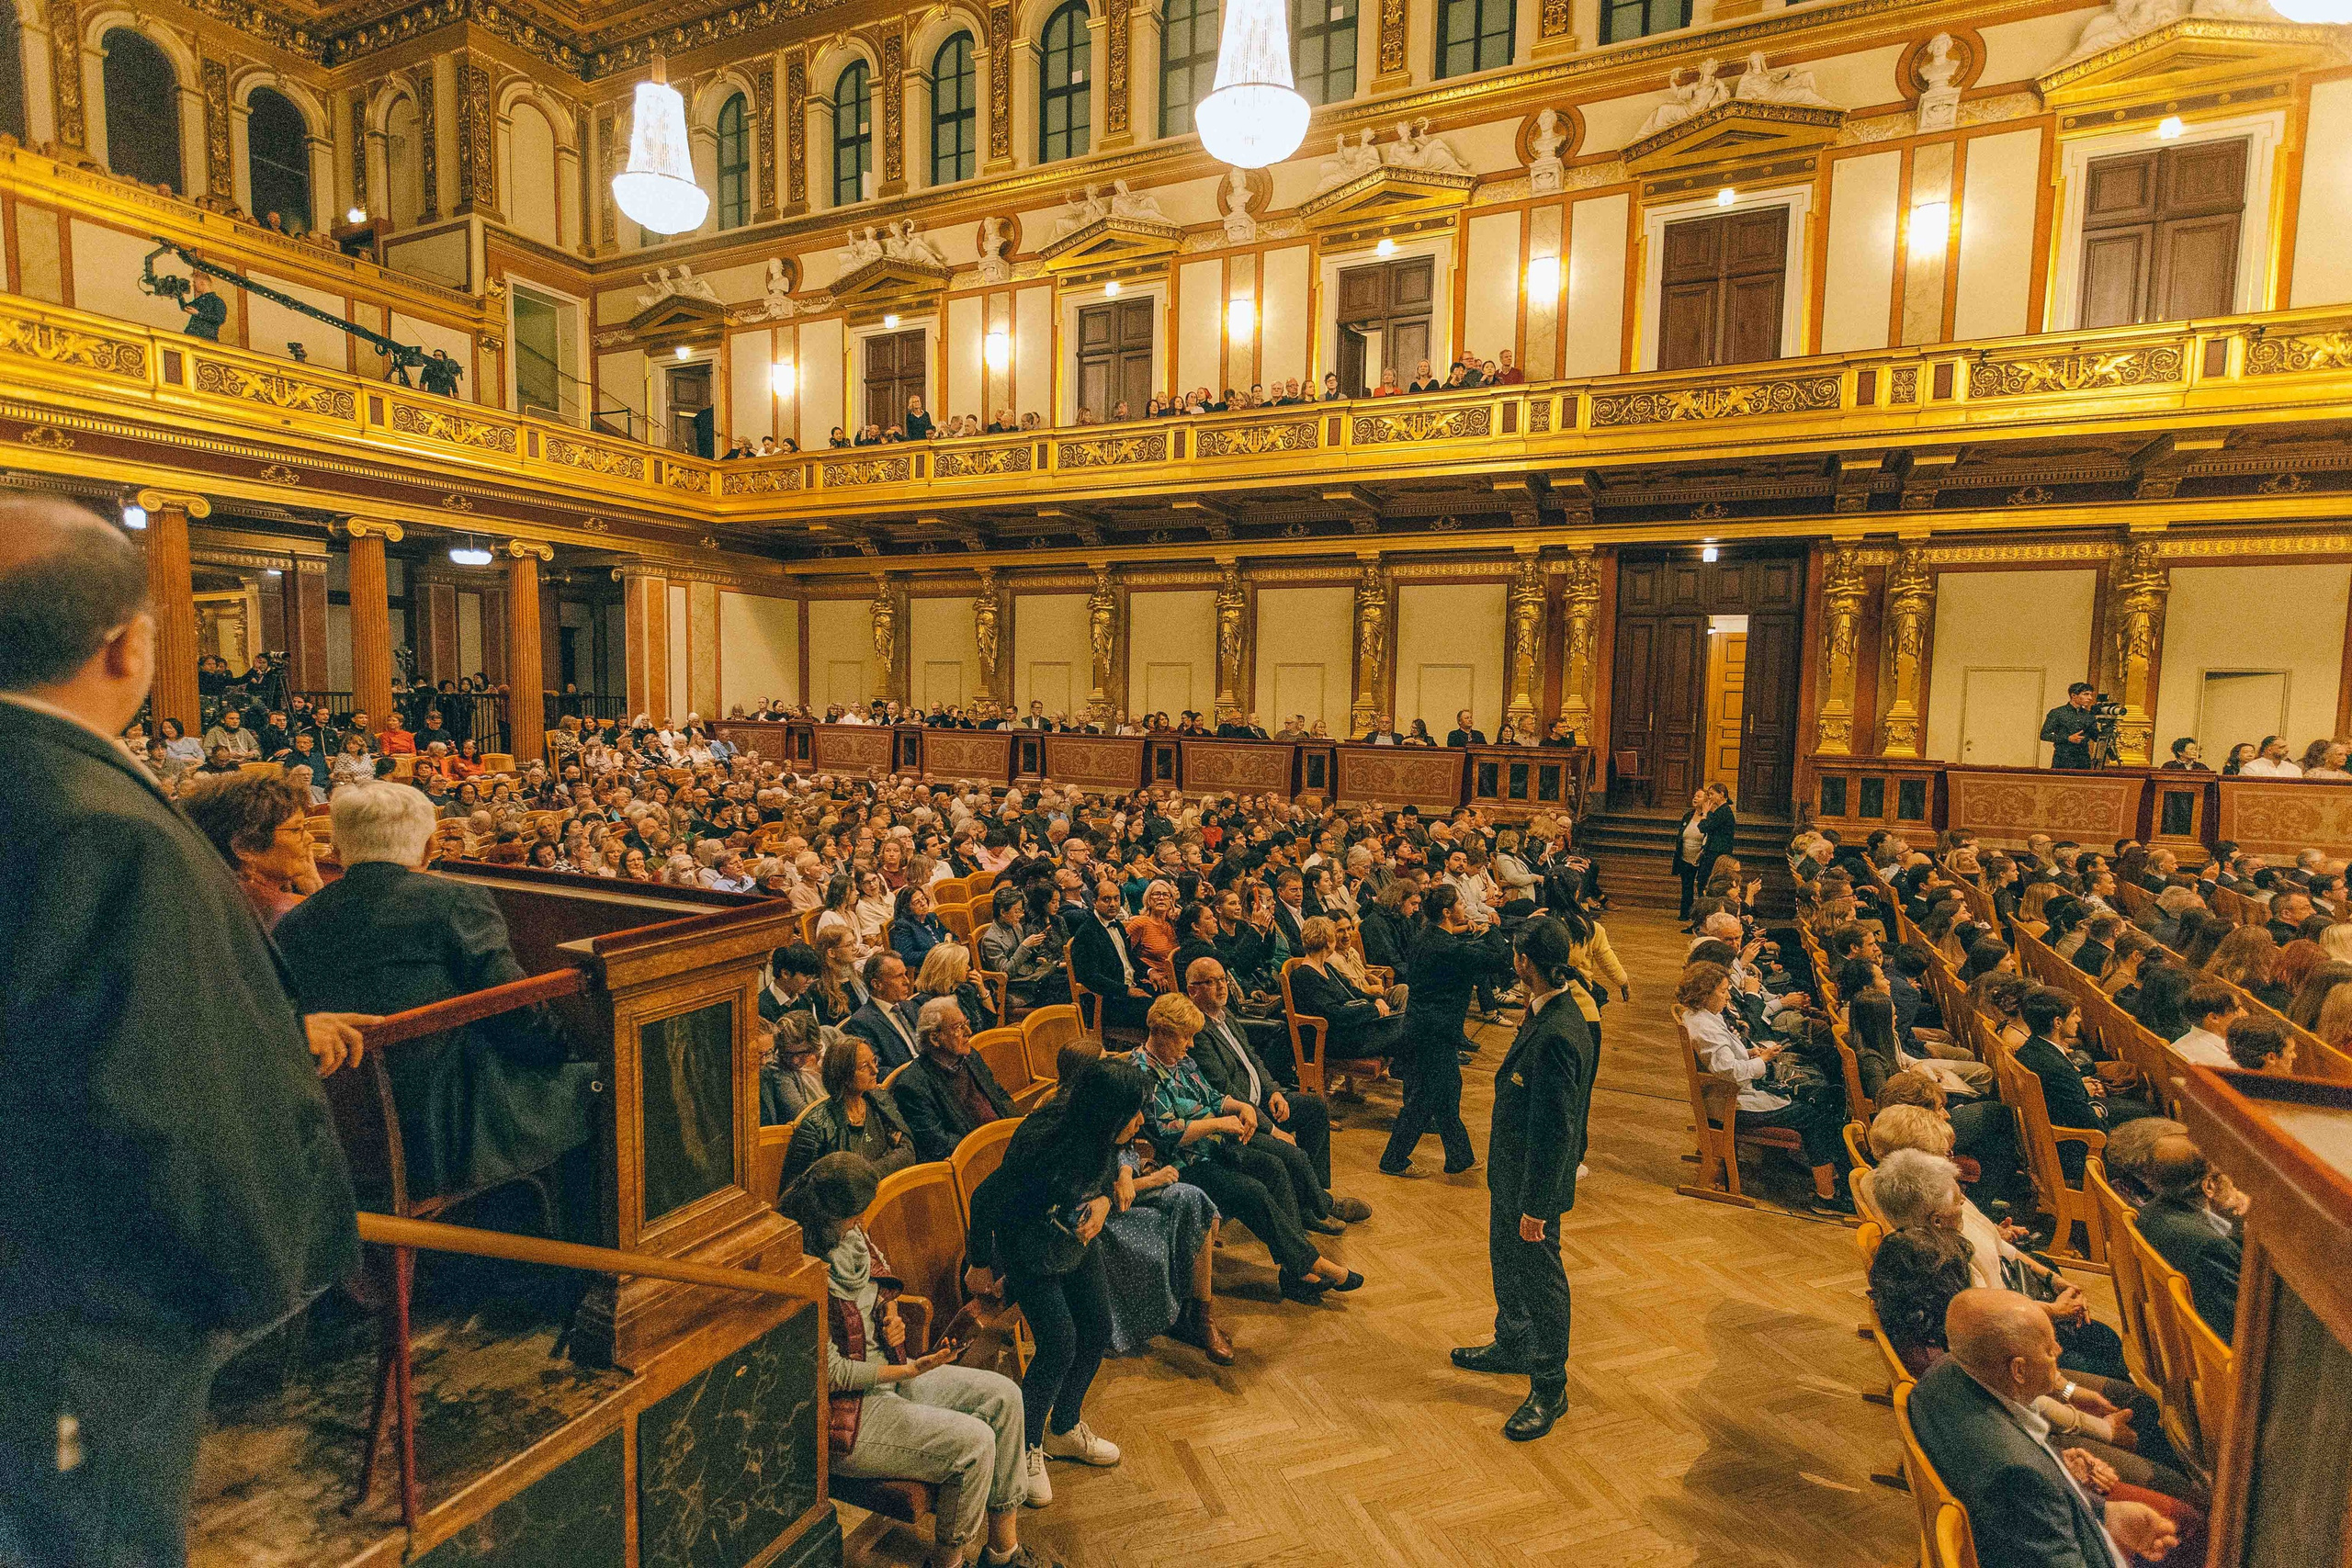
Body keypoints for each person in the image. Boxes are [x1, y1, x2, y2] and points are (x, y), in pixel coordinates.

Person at [0, 499, 368, 1568]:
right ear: (127, 645)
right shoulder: (105, 831)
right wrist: (252, 1280)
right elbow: (162, 1106)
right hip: (82, 1326)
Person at [276, 780, 600, 1206]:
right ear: (430, 847)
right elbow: (516, 1013)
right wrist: (575, 1049)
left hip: (339, 1135)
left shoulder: (297, 921)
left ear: (336, 849)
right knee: (597, 1082)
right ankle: (570, 1258)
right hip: (444, 1127)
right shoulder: (454, 901)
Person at [783, 1153, 1057, 1568]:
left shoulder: (851, 1238)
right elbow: (832, 1372)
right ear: (827, 1215)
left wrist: (890, 1316)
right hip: (849, 1414)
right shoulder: (800, 1267)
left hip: (891, 1378)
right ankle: (947, 1562)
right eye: (854, 1216)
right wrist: (910, 1367)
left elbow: (882, 1286)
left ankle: (1003, 1554)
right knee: (974, 1443)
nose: (861, 1223)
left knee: (1005, 1396)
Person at [966, 1057, 1149, 1504]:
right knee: (1059, 1343)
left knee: (1097, 1329)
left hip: (1073, 1238)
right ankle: (1025, 1449)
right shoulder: (1045, 1140)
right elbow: (986, 1195)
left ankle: (1064, 1427)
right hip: (1026, 1245)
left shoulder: (1100, 1132)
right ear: (1109, 1113)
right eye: (1134, 1112)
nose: (1141, 1120)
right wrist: (979, 1263)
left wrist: (1105, 1200)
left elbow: (1108, 1169)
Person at [1450, 918, 1598, 1442]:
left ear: (1524, 964)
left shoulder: (1559, 1030)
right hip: (1512, 1175)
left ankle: (1550, 1386)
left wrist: (1537, 1206)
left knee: (1541, 1278)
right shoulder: (1557, 1011)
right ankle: (1511, 1342)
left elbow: (1558, 1128)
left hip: (1532, 1185)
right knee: (1506, 1259)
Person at [1905, 1291, 2181, 1568]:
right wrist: (2053, 1478)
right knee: (2189, 1524)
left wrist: (2105, 1511)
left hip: (2063, 1519)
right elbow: (2025, 1486)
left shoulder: (1940, 1376)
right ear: (2019, 1371)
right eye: (2049, 1349)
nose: (2059, 1352)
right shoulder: (2018, 1473)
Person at [1126, 994, 1361, 1303]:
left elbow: (1212, 1096)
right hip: (1182, 1164)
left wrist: (1240, 1107)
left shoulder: (1179, 1060)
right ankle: (1310, 1265)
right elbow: (1165, 1132)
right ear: (1162, 1032)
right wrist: (1219, 1124)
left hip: (1214, 1149)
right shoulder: (1142, 1071)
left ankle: (1296, 1272)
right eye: (1187, 1036)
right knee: (1253, 1192)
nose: (1192, 1045)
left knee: (1275, 1168)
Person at [1045, 1044, 1229, 1365]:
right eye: (1106, 1064)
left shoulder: (1106, 1102)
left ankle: (1200, 1314)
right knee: (1158, 1230)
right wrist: (1146, 1182)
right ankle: (1166, 1317)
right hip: (1095, 1212)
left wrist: (1128, 1172)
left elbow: (1125, 1146)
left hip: (1124, 1190)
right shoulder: (1062, 1117)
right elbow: (1080, 1192)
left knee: (1191, 1198)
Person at [1182, 957, 1369, 1223]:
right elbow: (1224, 1088)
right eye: (1211, 982)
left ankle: (1312, 1194)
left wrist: (1274, 1092)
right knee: (1293, 1153)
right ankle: (1322, 1207)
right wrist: (1272, 1129)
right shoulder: (1197, 1031)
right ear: (1193, 990)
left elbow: (1254, 1060)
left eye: (1223, 979)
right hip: (1240, 1118)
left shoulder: (1226, 1017)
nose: (1221, 987)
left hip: (1262, 1102)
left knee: (1314, 1108)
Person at [1383, 885, 1510, 1176]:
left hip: (1427, 1027)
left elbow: (1459, 950)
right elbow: (1498, 959)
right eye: (1461, 903)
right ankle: (1393, 1160)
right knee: (1425, 1099)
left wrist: (1470, 934)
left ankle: (1459, 1157)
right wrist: (1489, 931)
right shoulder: (1445, 948)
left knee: (1446, 1093)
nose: (1464, 907)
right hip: (1433, 1032)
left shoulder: (1427, 937)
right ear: (1447, 911)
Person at [179, 769, 324, 931]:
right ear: (244, 847)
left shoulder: (208, 894)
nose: (310, 839)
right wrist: (318, 897)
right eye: (296, 830)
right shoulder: (285, 913)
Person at [782, 1035, 919, 1186]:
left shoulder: (880, 1101)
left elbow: (908, 1153)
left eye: (874, 1061)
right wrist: (888, 1159)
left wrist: (859, 1175)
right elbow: (797, 1191)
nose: (875, 1070)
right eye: (864, 1066)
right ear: (843, 1075)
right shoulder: (815, 1126)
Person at [892, 996, 1015, 1161]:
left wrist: (1018, 1129)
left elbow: (999, 1096)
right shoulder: (912, 1085)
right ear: (935, 1038)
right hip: (975, 1159)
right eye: (958, 1027)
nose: (969, 1033)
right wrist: (990, 1144)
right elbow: (939, 1144)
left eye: (967, 1023)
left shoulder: (971, 1058)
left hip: (1004, 1142)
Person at [1070, 877, 1156, 1032]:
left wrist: (1151, 972)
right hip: (1110, 1002)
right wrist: (1126, 990)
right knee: (1163, 1014)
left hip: (1130, 989)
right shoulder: (1087, 932)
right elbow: (1089, 976)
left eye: (1116, 899)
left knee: (1174, 1000)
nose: (1113, 904)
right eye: (1106, 899)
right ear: (1095, 902)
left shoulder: (1118, 926)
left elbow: (1129, 959)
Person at [845, 950, 924, 1072]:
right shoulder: (861, 1022)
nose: (907, 981)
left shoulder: (911, 1007)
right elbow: (876, 1070)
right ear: (877, 984)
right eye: (899, 976)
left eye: (905, 974)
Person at [760, 1010, 831, 1124]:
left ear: (815, 1045)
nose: (794, 1060)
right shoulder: (778, 1068)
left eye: (802, 1053)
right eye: (787, 1053)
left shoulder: (830, 1036)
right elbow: (803, 1116)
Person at [2040, 682, 2103, 770]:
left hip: (2083, 760)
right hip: (2063, 759)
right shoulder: (2057, 713)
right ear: (2073, 695)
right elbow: (2044, 735)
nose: (2090, 698)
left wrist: (2106, 729)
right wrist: (2067, 738)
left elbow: (2096, 737)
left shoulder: (2089, 715)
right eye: (2085, 694)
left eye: (2091, 695)